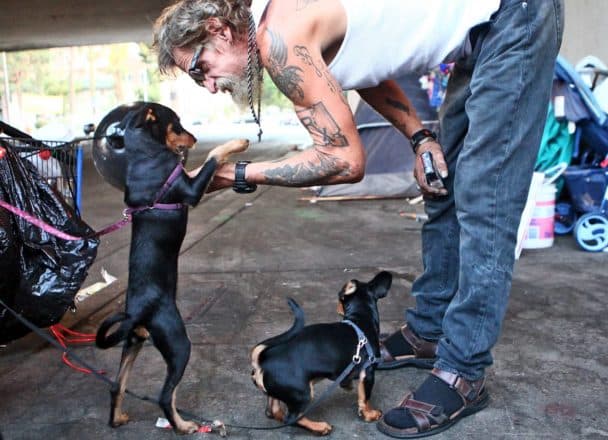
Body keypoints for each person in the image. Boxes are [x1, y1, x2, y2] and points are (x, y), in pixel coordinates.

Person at [154, 0, 562, 437]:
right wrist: (420, 137)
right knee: (443, 181)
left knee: (486, 198)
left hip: (513, 16)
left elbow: (346, 161)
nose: (209, 86)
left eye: (199, 68)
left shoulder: (279, 39)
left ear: (218, 29)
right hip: (481, 35)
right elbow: (367, 68)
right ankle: (429, 330)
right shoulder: (283, 23)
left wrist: (235, 173)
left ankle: (464, 370)